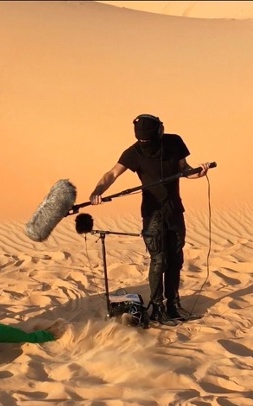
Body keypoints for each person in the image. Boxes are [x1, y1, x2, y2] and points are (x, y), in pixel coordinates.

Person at [89, 114, 209, 326]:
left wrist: (197, 173)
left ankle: (173, 304)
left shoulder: (174, 142)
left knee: (175, 257)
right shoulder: (134, 152)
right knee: (159, 259)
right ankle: (157, 307)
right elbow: (112, 174)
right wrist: (98, 191)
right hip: (152, 213)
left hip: (174, 210)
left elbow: (184, 169)